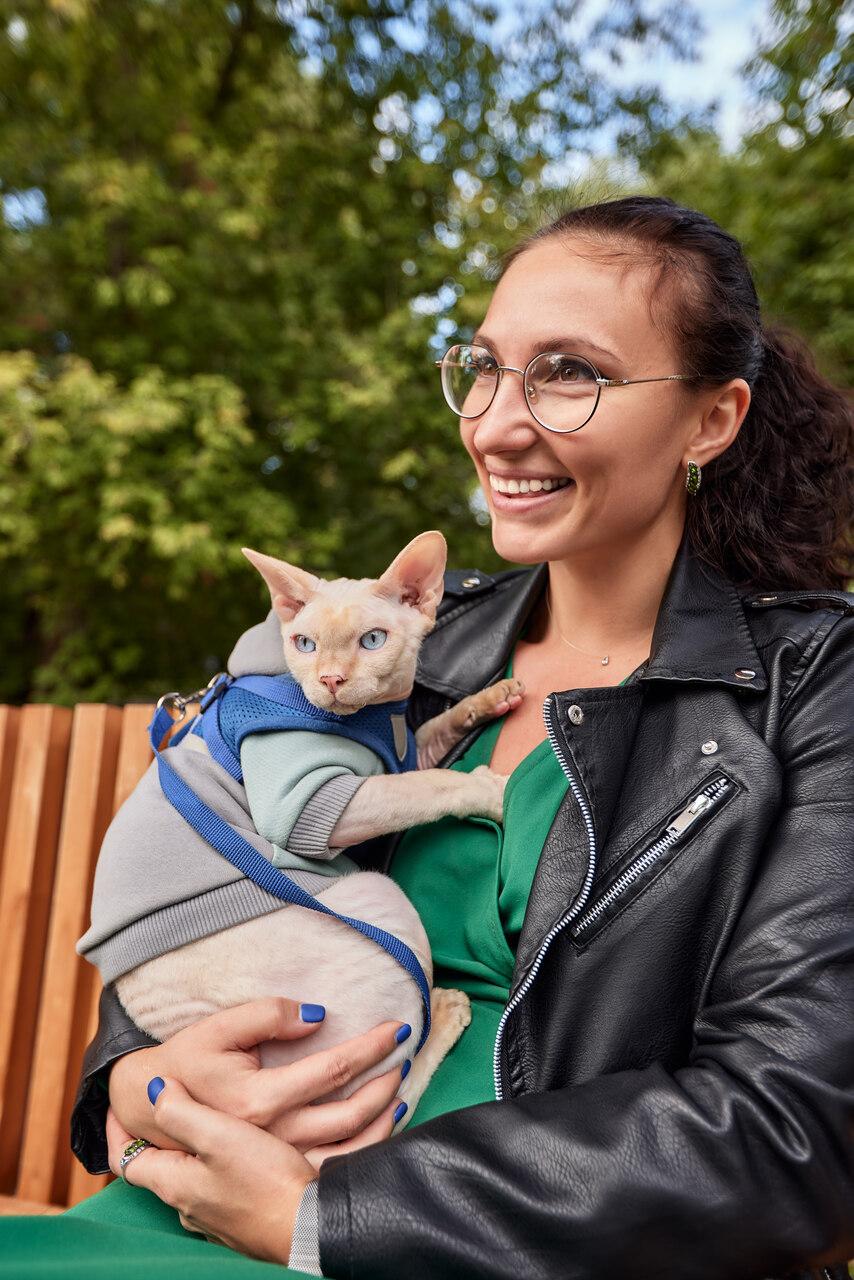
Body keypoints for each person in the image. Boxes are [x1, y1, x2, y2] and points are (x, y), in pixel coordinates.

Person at [21, 195, 854, 1279]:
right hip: (209, 1194)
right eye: (486, 367)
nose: (498, 423)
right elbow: (206, 876)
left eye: (570, 372)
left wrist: (332, 1216)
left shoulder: (811, 684)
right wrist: (133, 1075)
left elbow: (795, 1119)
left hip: (480, 1241)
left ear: (711, 418)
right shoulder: (409, 645)